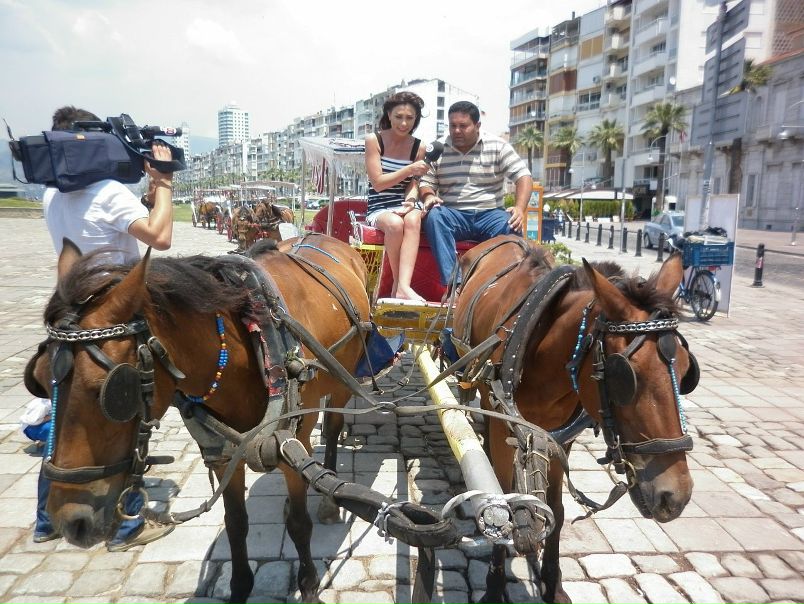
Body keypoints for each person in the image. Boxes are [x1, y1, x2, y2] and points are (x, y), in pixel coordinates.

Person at [35, 105, 175, 551]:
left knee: (66, 418)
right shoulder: (109, 192)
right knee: (123, 418)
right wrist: (165, 183)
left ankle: (46, 518)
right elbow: (160, 237)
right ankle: (128, 524)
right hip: (112, 317)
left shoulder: (52, 195)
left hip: (71, 312)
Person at [419, 101, 533, 286]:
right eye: (452, 126)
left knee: (511, 224)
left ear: (477, 125)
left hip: (491, 214)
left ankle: (503, 285)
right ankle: (453, 285)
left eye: (463, 126)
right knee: (434, 217)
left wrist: (520, 208)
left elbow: (523, 176)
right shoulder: (439, 148)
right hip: (453, 214)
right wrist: (429, 196)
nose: (457, 131)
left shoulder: (498, 146)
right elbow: (425, 181)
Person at [365, 91, 430, 300]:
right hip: (379, 205)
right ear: (389, 115)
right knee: (394, 224)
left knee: (413, 218)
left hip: (403, 202)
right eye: (399, 117)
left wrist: (410, 201)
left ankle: (403, 286)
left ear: (416, 119)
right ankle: (397, 284)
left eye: (410, 118)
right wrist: (409, 169)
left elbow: (413, 184)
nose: (404, 123)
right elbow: (378, 183)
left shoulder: (418, 146)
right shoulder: (374, 140)